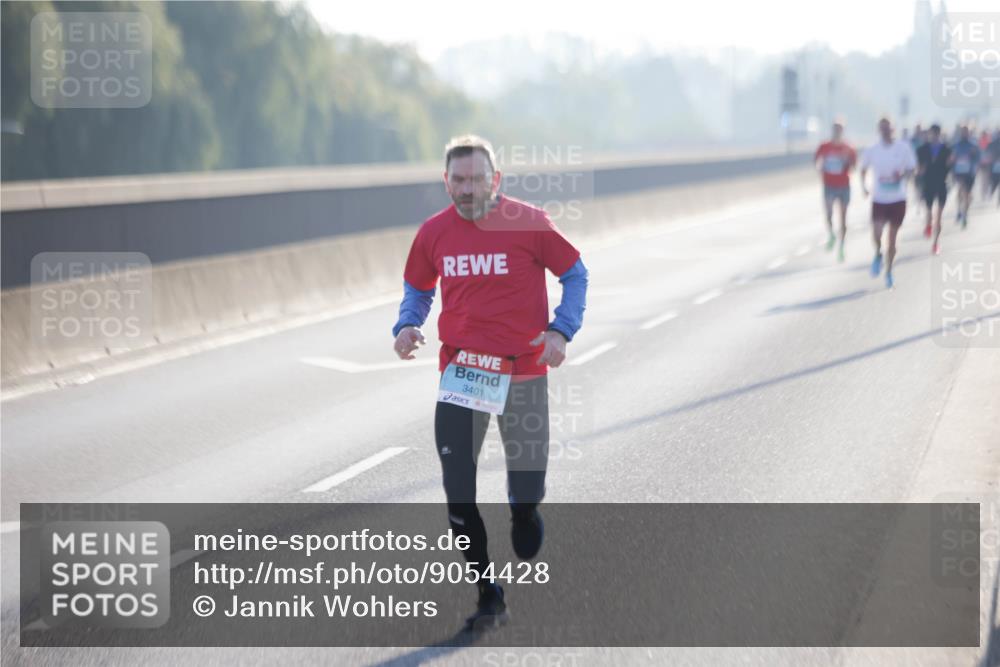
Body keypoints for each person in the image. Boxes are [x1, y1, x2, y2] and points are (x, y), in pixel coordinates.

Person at [392, 134, 588, 632]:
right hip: (464, 372)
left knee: (527, 483)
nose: (467, 189)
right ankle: (487, 591)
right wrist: (408, 324)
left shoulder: (530, 223)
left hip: (521, 368)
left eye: (477, 179)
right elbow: (418, 285)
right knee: (457, 492)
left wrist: (561, 329)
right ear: (446, 182)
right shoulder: (434, 233)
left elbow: (576, 273)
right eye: (458, 180)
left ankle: (524, 512)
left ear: (495, 180)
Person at [860, 116, 917, 289]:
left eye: (888, 128)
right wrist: (863, 187)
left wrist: (903, 176)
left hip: (898, 199)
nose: (886, 131)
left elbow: (912, 169)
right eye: (882, 128)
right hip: (879, 199)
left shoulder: (904, 148)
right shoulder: (872, 149)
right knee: (876, 234)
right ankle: (878, 254)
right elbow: (862, 169)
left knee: (892, 240)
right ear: (879, 130)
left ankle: (889, 270)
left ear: (894, 129)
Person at [813, 120, 856, 261]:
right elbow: (816, 160)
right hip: (829, 185)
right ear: (832, 130)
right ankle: (831, 234)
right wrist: (820, 167)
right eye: (835, 129)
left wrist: (846, 162)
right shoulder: (824, 146)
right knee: (828, 214)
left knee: (843, 218)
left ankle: (841, 247)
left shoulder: (848, 147)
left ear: (843, 131)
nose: (837, 132)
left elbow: (854, 166)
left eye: (839, 129)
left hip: (843, 185)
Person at [916, 123, 951, 255]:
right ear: (929, 134)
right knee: (929, 211)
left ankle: (936, 243)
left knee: (939, 216)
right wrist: (918, 173)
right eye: (932, 133)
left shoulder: (947, 149)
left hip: (941, 183)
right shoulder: (922, 149)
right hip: (928, 183)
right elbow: (919, 168)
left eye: (936, 133)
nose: (934, 136)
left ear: (939, 134)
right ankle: (928, 224)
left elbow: (950, 166)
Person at [950, 125, 980, 228]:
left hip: (969, 173)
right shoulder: (955, 145)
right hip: (959, 172)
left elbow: (978, 159)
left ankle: (965, 214)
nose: (965, 133)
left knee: (968, 194)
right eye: (963, 131)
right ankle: (959, 209)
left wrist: (975, 166)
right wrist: (952, 169)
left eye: (966, 131)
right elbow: (951, 160)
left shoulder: (974, 145)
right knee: (960, 190)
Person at [987, 129, 1000, 206]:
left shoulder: (992, 142)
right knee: (994, 183)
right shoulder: (993, 143)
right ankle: (991, 194)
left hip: (994, 166)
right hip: (994, 166)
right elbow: (989, 152)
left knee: (995, 182)